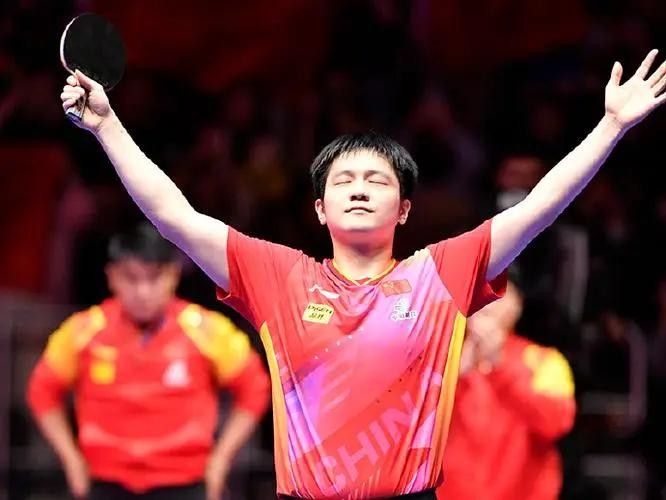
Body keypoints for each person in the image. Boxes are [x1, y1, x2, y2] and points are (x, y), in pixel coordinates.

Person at [59, 49, 666, 499]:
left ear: (404, 210)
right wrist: (107, 126)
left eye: (377, 180)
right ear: (319, 209)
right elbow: (174, 217)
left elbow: (538, 209)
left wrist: (610, 127)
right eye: (342, 180)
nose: (358, 188)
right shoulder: (279, 277)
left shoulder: (440, 275)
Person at [26, 223, 271, 500]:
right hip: (103, 484)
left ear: (173, 276)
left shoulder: (207, 330)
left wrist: (220, 461)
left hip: (186, 484)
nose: (143, 291)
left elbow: (255, 389)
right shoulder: (82, 330)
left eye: (154, 278)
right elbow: (41, 392)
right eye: (131, 278)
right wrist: (71, 460)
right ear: (112, 277)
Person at [436, 281, 576, 500]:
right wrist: (457, 374)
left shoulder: (544, 360)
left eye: (499, 291)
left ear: (517, 305)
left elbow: (557, 422)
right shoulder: (437, 358)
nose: (487, 301)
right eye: (479, 291)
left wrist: (498, 367)